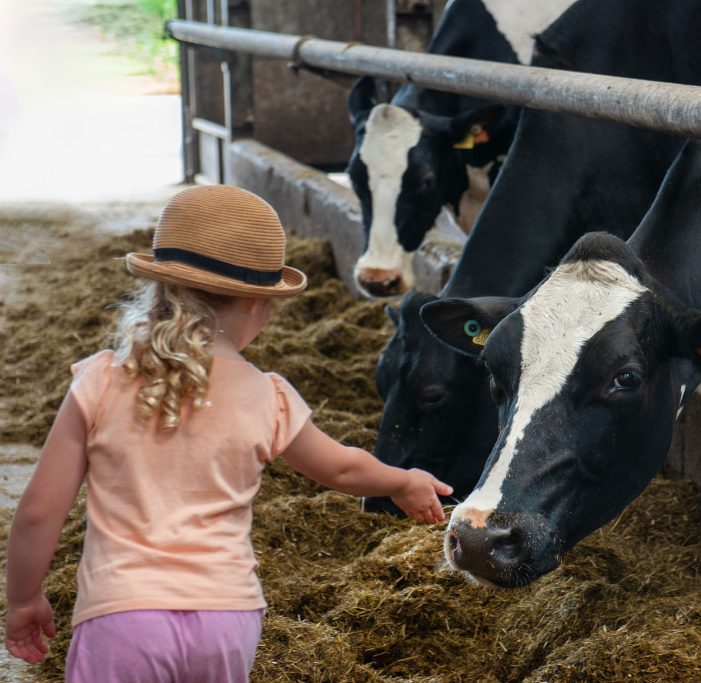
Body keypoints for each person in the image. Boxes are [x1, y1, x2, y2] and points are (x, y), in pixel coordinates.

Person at [3, 184, 453, 682]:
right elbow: (342, 467)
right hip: (226, 619)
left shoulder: (103, 379)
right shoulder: (268, 395)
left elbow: (40, 512)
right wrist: (401, 481)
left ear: (158, 290)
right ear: (260, 307)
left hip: (123, 614)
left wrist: (24, 598)